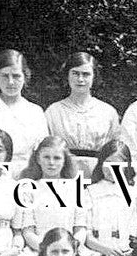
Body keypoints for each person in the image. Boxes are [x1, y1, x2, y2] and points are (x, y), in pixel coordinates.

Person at [82, 140, 137, 256]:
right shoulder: (89, 192)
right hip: (97, 252)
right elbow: (86, 233)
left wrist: (132, 250)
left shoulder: (136, 192)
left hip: (125, 253)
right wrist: (104, 249)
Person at [45, 51, 122, 179]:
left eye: (86, 74)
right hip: (63, 173)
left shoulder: (108, 112)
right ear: (67, 76)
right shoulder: (53, 111)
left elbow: (116, 150)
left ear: (94, 77)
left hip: (98, 174)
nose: (80, 79)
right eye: (75, 74)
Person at [17, 135, 88, 252]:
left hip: (69, 252)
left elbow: (80, 228)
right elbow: (28, 231)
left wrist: (69, 249)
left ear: (64, 161)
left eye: (57, 158)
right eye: (46, 157)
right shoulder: (28, 188)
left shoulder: (75, 188)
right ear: (38, 159)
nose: (51, 162)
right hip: (39, 251)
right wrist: (48, 250)